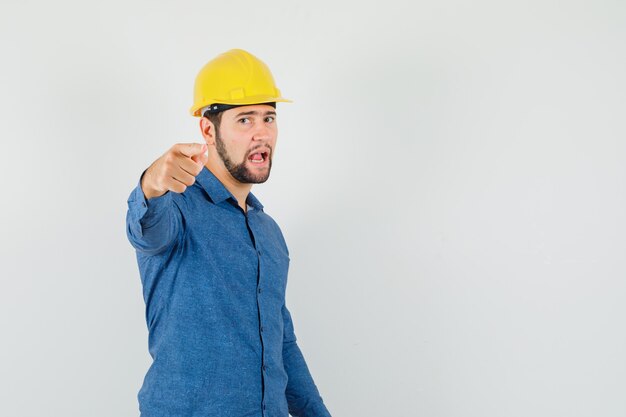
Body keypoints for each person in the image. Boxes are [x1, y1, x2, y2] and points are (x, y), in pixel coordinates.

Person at [125, 49, 333, 417]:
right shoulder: (176, 205)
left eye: (269, 118)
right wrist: (151, 182)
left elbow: (281, 344)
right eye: (245, 120)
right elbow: (145, 230)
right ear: (208, 129)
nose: (262, 132)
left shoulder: (268, 234)